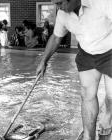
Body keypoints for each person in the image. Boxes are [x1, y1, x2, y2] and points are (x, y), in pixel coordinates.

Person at [36, 0, 112, 140]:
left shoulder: (101, 2)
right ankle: (88, 136)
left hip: (110, 51)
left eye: (60, 2)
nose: (58, 7)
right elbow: (56, 37)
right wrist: (43, 61)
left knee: (111, 95)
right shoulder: (62, 14)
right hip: (87, 53)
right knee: (87, 95)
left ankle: (108, 115)